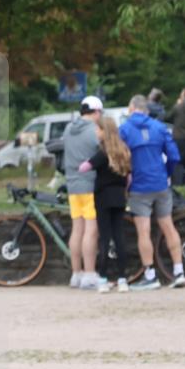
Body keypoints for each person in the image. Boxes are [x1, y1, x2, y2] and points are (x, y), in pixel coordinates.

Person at [119, 95, 185, 290]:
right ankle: (179, 271)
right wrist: (167, 173)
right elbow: (173, 155)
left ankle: (150, 274)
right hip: (160, 183)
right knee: (168, 226)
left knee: (143, 231)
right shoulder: (159, 127)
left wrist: (126, 178)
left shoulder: (124, 130)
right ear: (146, 110)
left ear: (131, 108)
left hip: (139, 185)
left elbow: (121, 159)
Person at [79, 116, 131, 293]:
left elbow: (84, 168)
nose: (95, 131)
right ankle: (123, 278)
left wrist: (86, 162)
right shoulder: (123, 150)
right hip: (119, 197)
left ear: (104, 132)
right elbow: (129, 177)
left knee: (105, 238)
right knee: (119, 237)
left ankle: (103, 278)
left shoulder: (102, 153)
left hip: (103, 198)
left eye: (97, 129)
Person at [62, 96, 102, 290]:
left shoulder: (68, 129)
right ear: (95, 112)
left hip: (72, 186)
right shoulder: (94, 131)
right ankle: (89, 273)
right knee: (91, 230)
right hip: (89, 185)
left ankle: (75, 274)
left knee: (76, 229)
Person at [165, 87, 185, 185]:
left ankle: (177, 183)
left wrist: (177, 104)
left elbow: (168, 117)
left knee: (178, 161)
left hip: (179, 137)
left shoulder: (179, 107)